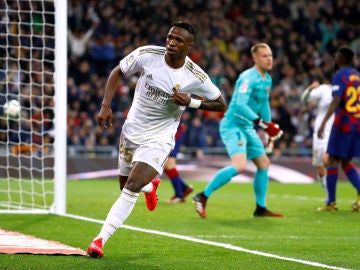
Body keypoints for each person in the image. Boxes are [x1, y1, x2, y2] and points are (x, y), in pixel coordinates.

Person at [86, 21, 226, 258]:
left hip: (159, 138)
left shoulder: (195, 75)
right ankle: (151, 186)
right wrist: (105, 105)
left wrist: (191, 102)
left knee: (130, 188)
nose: (171, 42)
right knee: (125, 185)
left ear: (189, 46)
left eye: (178, 40)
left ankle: (99, 240)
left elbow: (220, 103)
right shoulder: (147, 54)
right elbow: (117, 71)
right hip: (132, 131)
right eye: (170, 37)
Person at [193, 43, 283, 218]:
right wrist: (262, 124)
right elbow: (240, 105)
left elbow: (264, 103)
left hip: (248, 127)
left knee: (264, 164)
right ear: (255, 58)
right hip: (233, 125)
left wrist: (269, 127)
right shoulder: (247, 78)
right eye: (264, 56)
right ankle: (202, 196)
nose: (269, 59)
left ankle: (260, 208)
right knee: (240, 166)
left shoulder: (267, 80)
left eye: (270, 55)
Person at [317, 46, 360, 212]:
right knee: (346, 161)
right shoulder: (357, 76)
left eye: (336, 57)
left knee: (333, 161)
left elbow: (336, 100)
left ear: (341, 59)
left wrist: (323, 123)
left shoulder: (340, 75)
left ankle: (331, 202)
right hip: (357, 122)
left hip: (343, 123)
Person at [300, 80, 334, 194]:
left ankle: (330, 195)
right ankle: (328, 193)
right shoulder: (324, 89)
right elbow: (304, 99)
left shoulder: (346, 90)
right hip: (320, 132)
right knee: (318, 164)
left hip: (334, 130)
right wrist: (310, 88)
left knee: (326, 159)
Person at [165, 121, 194, 203]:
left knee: (169, 165)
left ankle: (179, 195)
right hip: (168, 129)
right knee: (165, 165)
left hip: (173, 130)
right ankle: (184, 188)